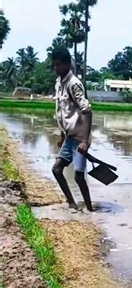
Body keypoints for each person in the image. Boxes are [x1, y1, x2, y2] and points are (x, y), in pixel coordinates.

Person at [51, 48, 93, 211]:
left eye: (58, 65)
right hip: (69, 137)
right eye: (54, 65)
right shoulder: (58, 83)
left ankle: (90, 209)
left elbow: (87, 111)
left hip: (79, 139)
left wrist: (84, 141)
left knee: (78, 176)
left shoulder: (74, 84)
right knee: (56, 169)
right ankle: (71, 203)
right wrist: (62, 135)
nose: (56, 68)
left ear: (68, 65)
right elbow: (64, 112)